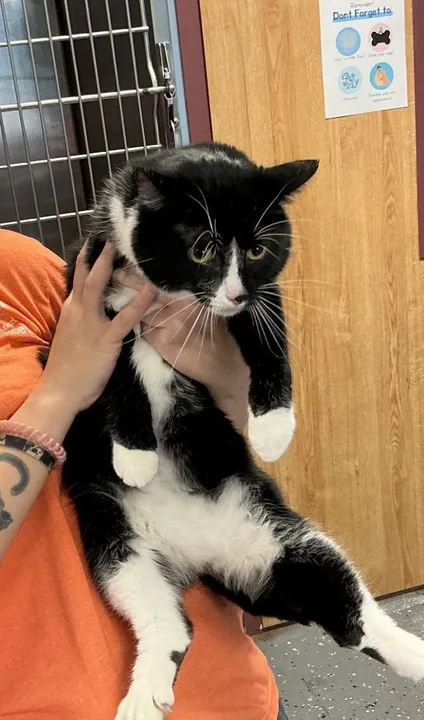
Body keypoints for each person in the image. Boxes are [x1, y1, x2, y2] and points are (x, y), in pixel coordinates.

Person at [0, 230, 287, 719]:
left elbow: (218, 421)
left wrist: (235, 385)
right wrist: (58, 395)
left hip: (221, 690)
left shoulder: (16, 267)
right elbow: (77, 376)